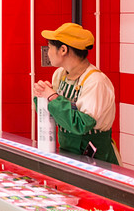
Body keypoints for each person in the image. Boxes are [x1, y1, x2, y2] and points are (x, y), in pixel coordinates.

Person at [32, 23, 119, 163]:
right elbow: (54, 115)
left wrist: (53, 97)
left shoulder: (96, 81)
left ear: (63, 50)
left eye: (50, 47)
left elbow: (82, 124)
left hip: (96, 159)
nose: (47, 52)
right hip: (67, 154)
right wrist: (41, 96)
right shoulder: (59, 75)